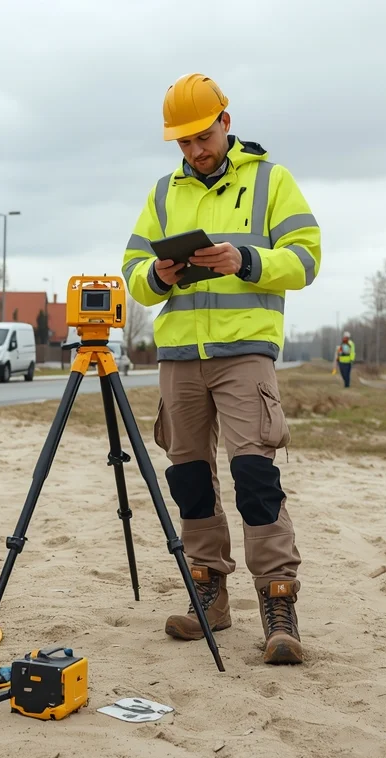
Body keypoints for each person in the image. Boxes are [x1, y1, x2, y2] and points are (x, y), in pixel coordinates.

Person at [122, 73, 321, 664]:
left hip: (245, 355)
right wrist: (158, 276)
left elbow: (306, 259)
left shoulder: (271, 181)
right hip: (181, 358)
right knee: (187, 478)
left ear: (226, 124)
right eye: (182, 143)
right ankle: (208, 591)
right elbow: (133, 268)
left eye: (201, 137)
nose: (194, 150)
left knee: (256, 477)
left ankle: (277, 604)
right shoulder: (163, 194)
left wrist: (248, 259)